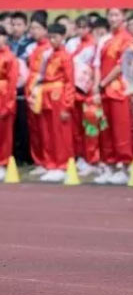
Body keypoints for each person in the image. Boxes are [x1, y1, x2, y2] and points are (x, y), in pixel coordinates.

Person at [92, 8, 133, 185]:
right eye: (110, 15)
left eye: (117, 15)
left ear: (123, 17)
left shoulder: (127, 38)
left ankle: (125, 167)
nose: (113, 18)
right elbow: (96, 64)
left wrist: (103, 83)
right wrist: (97, 87)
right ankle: (109, 166)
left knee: (121, 129)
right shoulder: (104, 39)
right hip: (103, 91)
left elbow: (121, 65)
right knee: (105, 130)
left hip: (119, 90)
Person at [38, 23, 75, 182]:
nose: (52, 40)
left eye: (55, 37)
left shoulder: (66, 56)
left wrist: (67, 105)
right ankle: (50, 163)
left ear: (63, 37)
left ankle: (62, 164)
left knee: (60, 133)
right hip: (47, 95)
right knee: (47, 132)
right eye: (50, 37)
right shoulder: (49, 55)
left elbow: (69, 82)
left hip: (59, 97)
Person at [68, 15, 99, 176]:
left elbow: (97, 67)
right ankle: (80, 157)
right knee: (76, 127)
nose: (81, 30)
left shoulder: (95, 44)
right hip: (74, 89)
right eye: (79, 27)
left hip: (89, 90)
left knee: (90, 126)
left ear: (90, 28)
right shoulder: (71, 43)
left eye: (84, 27)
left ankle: (92, 158)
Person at [25, 13, 52, 177]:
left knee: (45, 129)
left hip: (42, 90)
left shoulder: (49, 49)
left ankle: (49, 161)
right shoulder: (33, 49)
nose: (34, 31)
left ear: (45, 30)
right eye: (32, 28)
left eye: (37, 28)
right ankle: (39, 160)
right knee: (35, 129)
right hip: (31, 90)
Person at [8, 11, 33, 166]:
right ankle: (13, 155)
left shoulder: (30, 44)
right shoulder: (7, 43)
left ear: (25, 26)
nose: (16, 28)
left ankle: (25, 155)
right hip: (9, 89)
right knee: (11, 123)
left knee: (24, 122)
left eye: (19, 24)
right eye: (13, 24)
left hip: (25, 88)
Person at [0, 26, 19, 182]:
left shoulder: (10, 57)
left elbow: (12, 84)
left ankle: (3, 163)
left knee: (4, 133)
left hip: (4, 97)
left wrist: (9, 105)